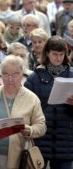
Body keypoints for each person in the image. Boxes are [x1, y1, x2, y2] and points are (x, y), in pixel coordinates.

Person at [0, 55, 46, 168]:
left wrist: (29, 130)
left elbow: (41, 126)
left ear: (22, 74)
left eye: (15, 74)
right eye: (5, 74)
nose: (10, 79)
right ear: (1, 75)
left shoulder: (32, 99)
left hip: (15, 157)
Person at [24, 36, 73, 169]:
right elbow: (26, 106)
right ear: (47, 53)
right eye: (55, 54)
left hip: (66, 139)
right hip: (41, 137)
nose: (58, 57)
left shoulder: (71, 75)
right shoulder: (35, 77)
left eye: (61, 54)